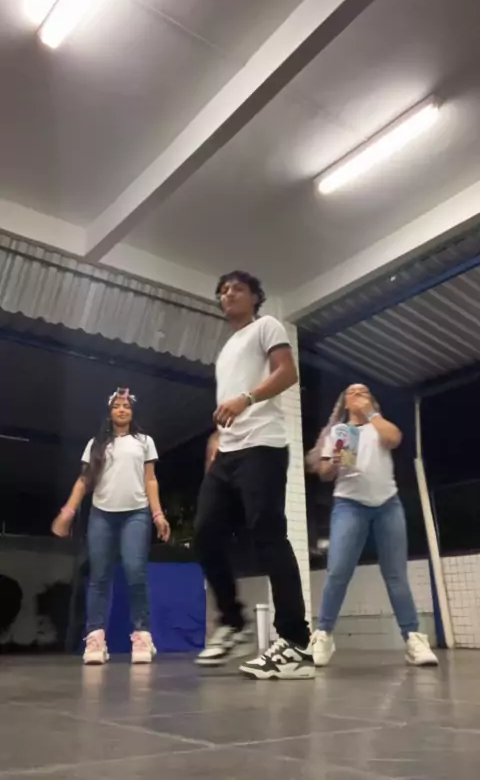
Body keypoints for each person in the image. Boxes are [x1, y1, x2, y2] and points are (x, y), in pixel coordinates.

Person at [194, 270, 313, 680]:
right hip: (227, 452)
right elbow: (227, 404)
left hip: (263, 446)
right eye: (223, 290)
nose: (228, 294)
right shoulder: (226, 349)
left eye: (237, 289)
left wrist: (246, 398)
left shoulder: (267, 326)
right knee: (205, 533)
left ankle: (295, 644)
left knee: (268, 538)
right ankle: (233, 622)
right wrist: (217, 437)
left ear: (255, 297)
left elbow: (287, 373)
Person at [307, 383, 438, 668]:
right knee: (338, 572)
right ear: (344, 403)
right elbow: (325, 473)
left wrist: (371, 413)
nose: (357, 395)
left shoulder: (379, 426)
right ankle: (324, 635)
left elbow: (395, 438)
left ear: (372, 400)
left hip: (387, 505)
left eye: (363, 392)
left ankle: (413, 638)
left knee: (396, 574)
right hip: (349, 505)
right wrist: (335, 461)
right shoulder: (339, 431)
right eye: (352, 393)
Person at [52, 388, 170, 664]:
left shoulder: (144, 441)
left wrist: (158, 515)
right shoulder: (96, 444)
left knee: (135, 572)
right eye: (117, 406)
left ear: (132, 411)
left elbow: (150, 480)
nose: (121, 410)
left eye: (126, 406)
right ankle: (95, 639)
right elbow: (84, 481)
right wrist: (67, 512)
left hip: (136, 514)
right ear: (109, 411)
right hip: (102, 515)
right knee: (99, 577)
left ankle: (142, 636)